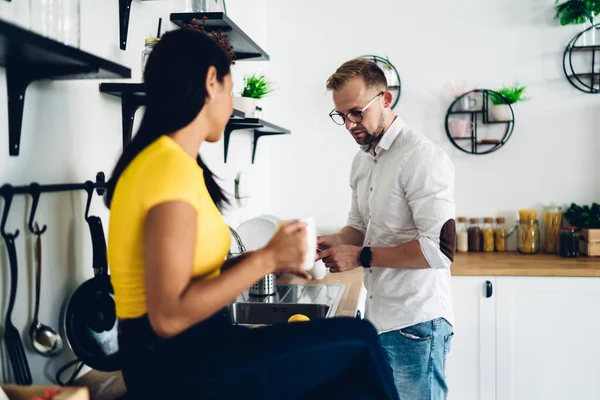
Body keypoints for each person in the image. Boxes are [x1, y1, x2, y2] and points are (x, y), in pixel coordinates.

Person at [104, 29, 398, 400]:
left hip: (195, 350)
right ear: (211, 82)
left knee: (343, 361)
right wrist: (265, 258)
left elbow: (189, 280)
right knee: (359, 341)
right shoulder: (166, 168)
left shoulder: (173, 163)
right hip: (174, 367)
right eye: (230, 90)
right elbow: (168, 317)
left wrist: (269, 262)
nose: (231, 104)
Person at [317, 58, 456, 400]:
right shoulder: (363, 160)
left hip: (417, 323)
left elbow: (440, 251)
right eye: (341, 116)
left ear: (385, 99)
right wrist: (327, 243)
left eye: (356, 112)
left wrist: (360, 257)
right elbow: (361, 227)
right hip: (378, 319)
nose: (349, 124)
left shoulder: (421, 157)